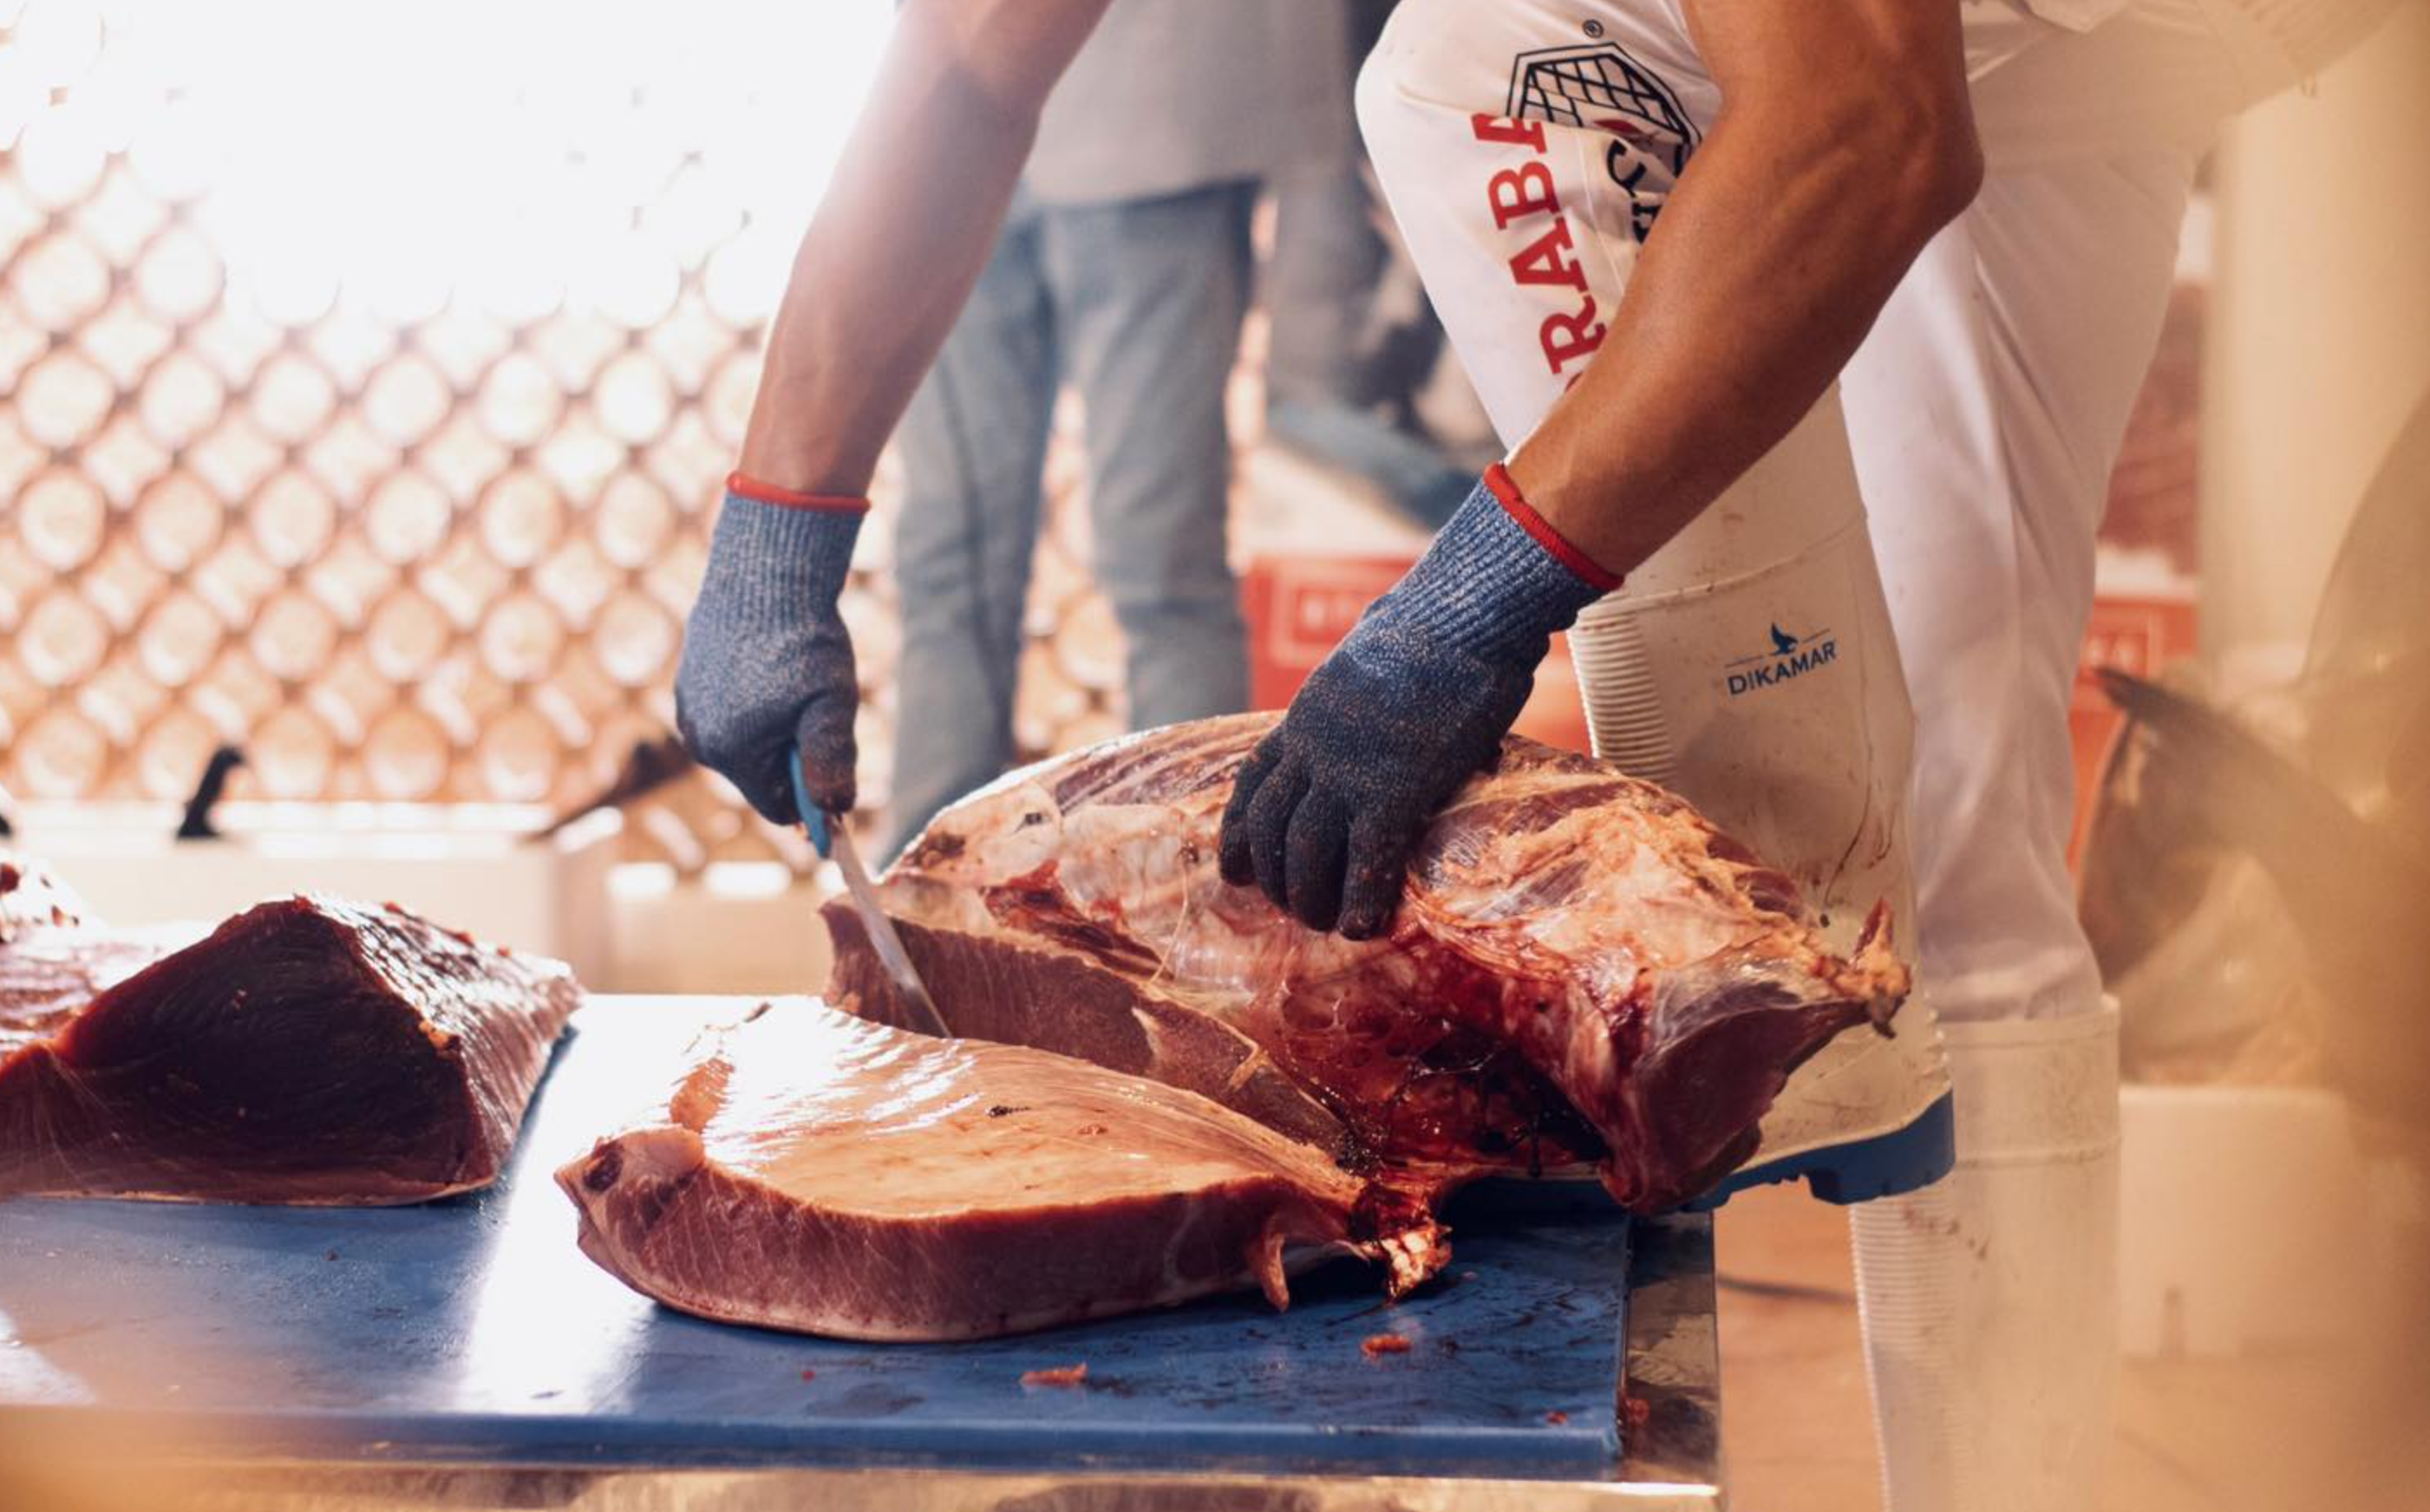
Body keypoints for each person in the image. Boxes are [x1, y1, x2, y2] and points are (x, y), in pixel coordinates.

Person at [674, 1, 2400, 1509]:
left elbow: (1863, 118)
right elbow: (969, 59)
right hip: (2073, 46)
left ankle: (1756, 949)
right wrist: (780, 516)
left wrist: (1476, 599)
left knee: (1468, 63)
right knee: (1962, 846)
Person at [876, 2, 1349, 857]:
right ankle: (914, 914)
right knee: (946, 555)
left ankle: (1192, 899)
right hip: (941, 122)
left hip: (1152, 114)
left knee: (1161, 560)